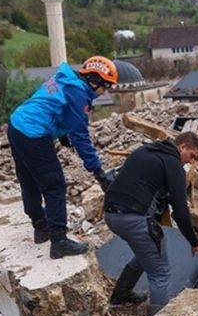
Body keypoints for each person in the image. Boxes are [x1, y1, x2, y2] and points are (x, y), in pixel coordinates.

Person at [8, 56, 117, 259]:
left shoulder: (66, 80)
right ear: (94, 80)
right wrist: (98, 171)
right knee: (55, 185)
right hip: (33, 134)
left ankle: (40, 228)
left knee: (29, 179)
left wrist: (63, 135)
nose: (105, 92)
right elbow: (81, 135)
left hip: (17, 125)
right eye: (105, 86)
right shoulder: (78, 93)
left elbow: (55, 108)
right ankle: (59, 241)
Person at [104, 132, 198, 316]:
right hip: (133, 219)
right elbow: (181, 214)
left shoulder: (145, 150)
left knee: (147, 252)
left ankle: (121, 294)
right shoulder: (173, 164)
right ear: (182, 146)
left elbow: (142, 184)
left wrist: (170, 196)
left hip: (111, 215)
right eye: (191, 156)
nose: (190, 162)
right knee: (160, 272)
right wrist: (194, 243)